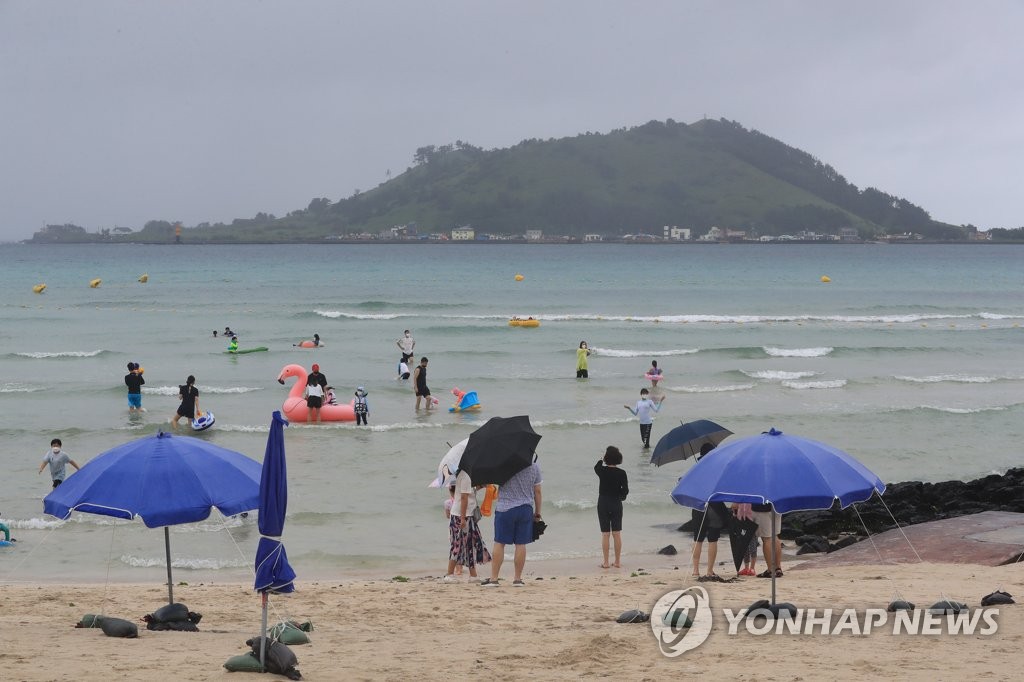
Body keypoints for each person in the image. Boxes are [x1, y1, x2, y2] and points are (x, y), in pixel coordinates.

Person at [481, 459, 542, 587]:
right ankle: (517, 579)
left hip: (505, 508)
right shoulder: (534, 466)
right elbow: (537, 491)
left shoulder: (503, 463)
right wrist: (538, 512)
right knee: (521, 544)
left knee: (500, 543)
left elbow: (489, 482)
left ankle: (494, 579)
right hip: (525, 508)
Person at [445, 470, 491, 582]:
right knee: (457, 544)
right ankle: (449, 574)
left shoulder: (467, 475)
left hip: (467, 515)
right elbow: (464, 497)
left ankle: (473, 575)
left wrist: (481, 485)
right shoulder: (465, 476)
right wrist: (462, 518)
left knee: (470, 544)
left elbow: (470, 492)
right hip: (461, 516)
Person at [594, 446, 629, 569]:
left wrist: (600, 459)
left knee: (605, 534)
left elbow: (596, 467)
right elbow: (625, 491)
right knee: (616, 533)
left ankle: (606, 562)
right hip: (616, 503)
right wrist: (620, 497)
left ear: (606, 458)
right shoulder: (622, 473)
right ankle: (618, 561)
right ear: (618, 458)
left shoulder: (602, 471)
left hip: (603, 502)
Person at [752, 502, 783, 578]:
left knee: (767, 538)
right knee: (775, 536)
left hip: (762, 508)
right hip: (777, 507)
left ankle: (770, 570)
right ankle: (778, 568)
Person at [443, 480, 463, 576]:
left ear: (449, 490)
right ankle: (461, 568)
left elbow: (447, 516)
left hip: (452, 527)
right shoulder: (462, 500)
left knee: (454, 546)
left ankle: (457, 569)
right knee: (462, 546)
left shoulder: (447, 503)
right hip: (463, 524)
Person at [732, 502, 758, 577]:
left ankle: (752, 568)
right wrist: (734, 510)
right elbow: (734, 506)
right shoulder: (740, 494)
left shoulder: (752, 494)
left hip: (752, 520)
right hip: (741, 519)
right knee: (744, 545)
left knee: (753, 544)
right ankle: (746, 568)